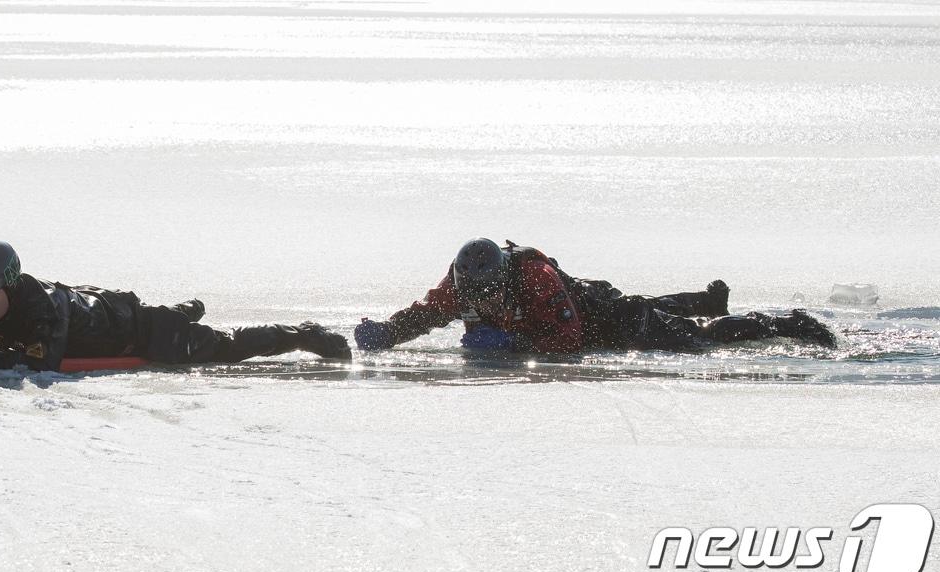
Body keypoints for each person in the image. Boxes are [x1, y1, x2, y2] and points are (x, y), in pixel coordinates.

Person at [0, 241, 351, 372]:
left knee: (229, 347)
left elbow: (42, 363)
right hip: (105, 308)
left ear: (8, 286)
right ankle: (183, 308)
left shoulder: (42, 310)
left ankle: (305, 333)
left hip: (141, 330)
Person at [353, 238, 835, 353]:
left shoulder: (535, 276)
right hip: (590, 315)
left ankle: (785, 322)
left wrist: (513, 344)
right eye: (472, 292)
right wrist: (387, 332)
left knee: (696, 339)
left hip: (606, 317)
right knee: (659, 309)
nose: (482, 299)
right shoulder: (458, 284)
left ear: (504, 279)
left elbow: (569, 335)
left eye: (491, 292)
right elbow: (427, 314)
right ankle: (705, 297)